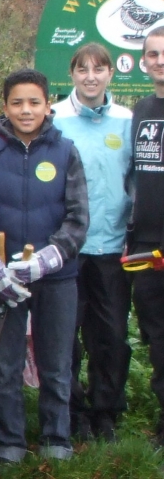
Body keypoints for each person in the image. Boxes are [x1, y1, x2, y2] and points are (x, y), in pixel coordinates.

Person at [0, 69, 89, 464]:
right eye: (17, 102)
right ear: (4, 106)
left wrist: (49, 259)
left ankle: (56, 437)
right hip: (4, 281)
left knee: (57, 364)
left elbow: (77, 219)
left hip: (57, 280)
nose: (26, 110)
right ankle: (9, 442)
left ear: (47, 104)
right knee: (6, 365)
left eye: (34, 102)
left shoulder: (65, 151)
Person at [53, 43, 133, 442]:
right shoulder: (56, 119)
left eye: (98, 69)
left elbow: (135, 180)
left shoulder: (126, 120)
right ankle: (73, 412)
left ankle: (106, 413)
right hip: (67, 250)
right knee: (66, 337)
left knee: (111, 337)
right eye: (82, 69)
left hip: (112, 248)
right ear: (72, 74)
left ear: (109, 75)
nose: (90, 76)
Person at [129, 25, 164, 445]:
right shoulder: (141, 110)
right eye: (153, 54)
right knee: (156, 338)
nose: (160, 61)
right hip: (146, 247)